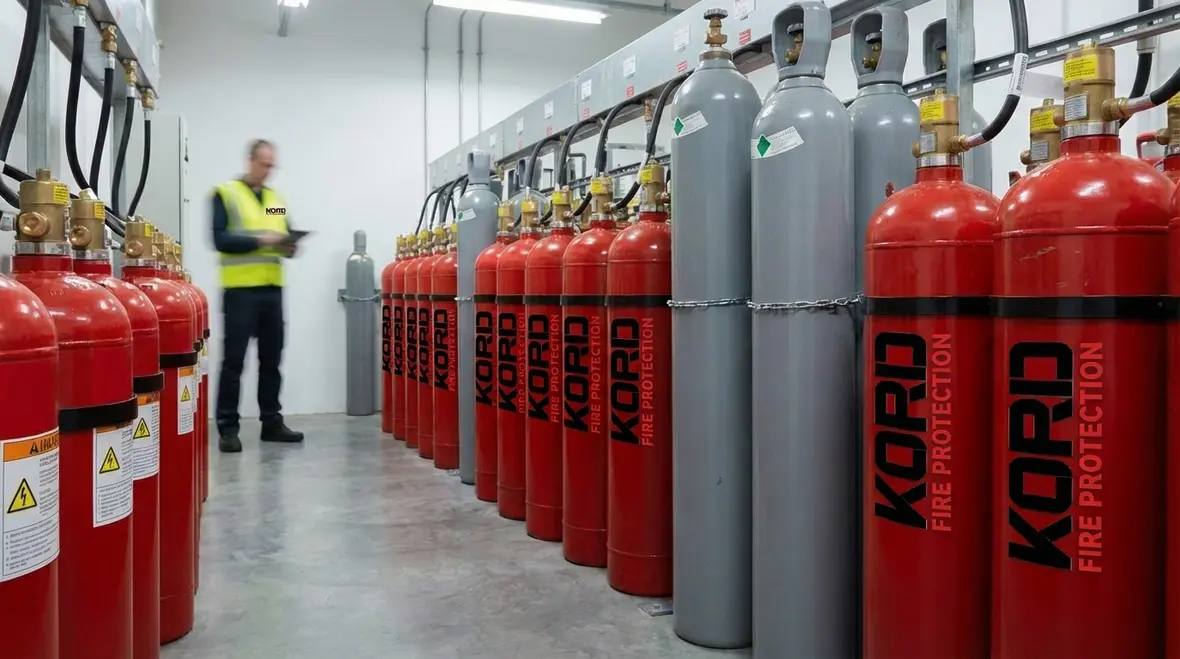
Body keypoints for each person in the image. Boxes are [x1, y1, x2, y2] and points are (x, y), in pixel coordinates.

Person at [211, 139, 304, 452]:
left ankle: (271, 422)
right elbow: (220, 238)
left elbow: (280, 226)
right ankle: (227, 429)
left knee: (271, 361)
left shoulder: (274, 199)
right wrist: (260, 239)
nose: (268, 171)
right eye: (264, 164)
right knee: (234, 362)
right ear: (249, 161)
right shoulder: (226, 194)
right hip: (240, 292)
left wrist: (290, 244)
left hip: (272, 291)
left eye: (272, 165)